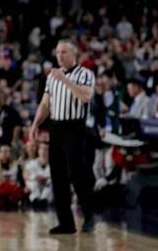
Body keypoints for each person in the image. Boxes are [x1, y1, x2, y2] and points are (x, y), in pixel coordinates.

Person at [29, 40, 96, 234]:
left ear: (74, 54)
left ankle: (89, 216)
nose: (60, 55)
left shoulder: (85, 74)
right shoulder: (52, 77)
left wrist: (65, 79)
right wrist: (35, 124)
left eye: (64, 52)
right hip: (56, 128)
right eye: (58, 52)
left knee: (77, 174)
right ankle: (66, 223)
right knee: (58, 176)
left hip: (75, 128)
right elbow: (45, 104)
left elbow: (86, 96)